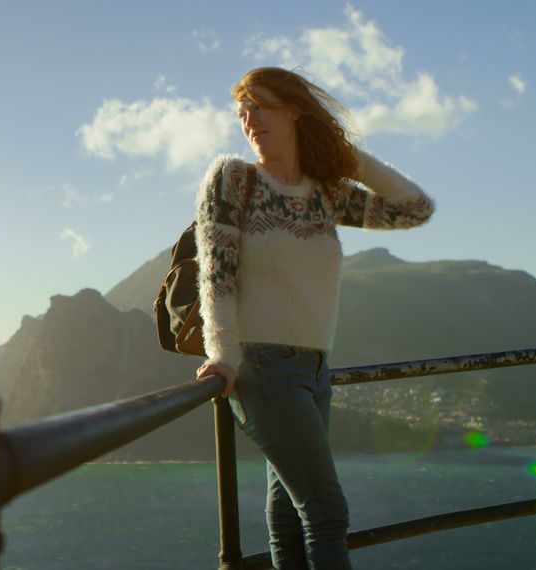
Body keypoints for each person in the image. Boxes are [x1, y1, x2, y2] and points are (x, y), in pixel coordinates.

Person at [193, 67, 435, 569]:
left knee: (289, 513)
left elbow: (414, 208)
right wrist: (221, 354)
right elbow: (217, 276)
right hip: (262, 368)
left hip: (315, 370)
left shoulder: (324, 193)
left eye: (260, 106)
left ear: (295, 110)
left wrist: (347, 157)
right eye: (242, 111)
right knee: (326, 513)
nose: (249, 119)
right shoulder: (234, 179)